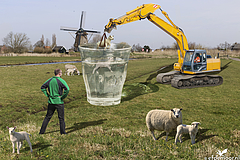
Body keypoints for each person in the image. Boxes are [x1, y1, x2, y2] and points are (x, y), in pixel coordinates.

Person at [39, 69, 70, 135]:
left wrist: (47, 95)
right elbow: (67, 89)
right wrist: (62, 97)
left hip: (51, 102)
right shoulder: (61, 80)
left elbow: (42, 87)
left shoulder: (50, 80)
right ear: (59, 73)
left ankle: (41, 132)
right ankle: (63, 132)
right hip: (59, 102)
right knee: (61, 118)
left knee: (47, 117)